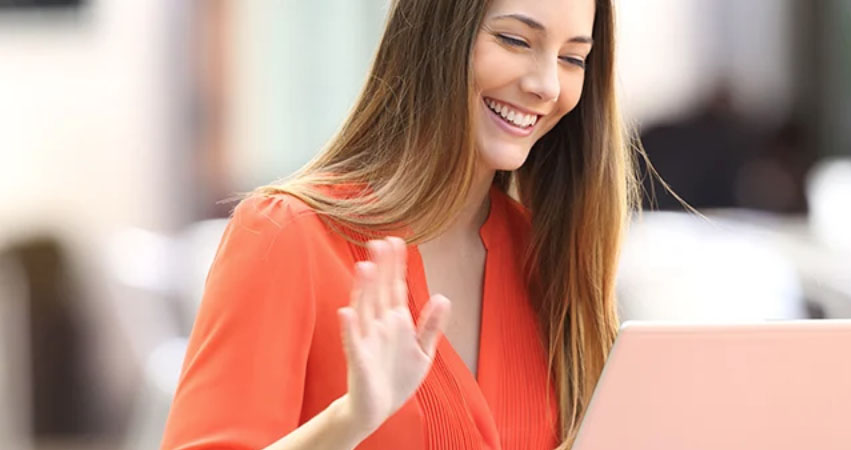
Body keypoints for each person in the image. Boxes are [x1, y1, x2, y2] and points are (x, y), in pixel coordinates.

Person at [160, 0, 636, 448]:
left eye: (573, 59)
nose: (548, 85)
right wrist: (350, 420)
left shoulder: (547, 258)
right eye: (514, 40)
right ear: (436, 35)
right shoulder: (287, 235)